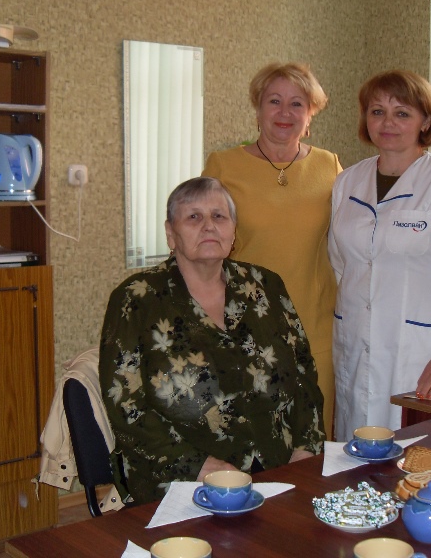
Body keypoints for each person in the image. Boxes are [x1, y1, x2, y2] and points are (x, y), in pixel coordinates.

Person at [99, 177, 325, 505]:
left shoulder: (266, 285)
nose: (208, 226)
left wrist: (305, 448)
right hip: (180, 479)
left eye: (219, 216)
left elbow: (304, 374)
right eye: (193, 217)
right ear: (170, 233)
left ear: (233, 232)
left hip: (278, 465)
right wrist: (201, 467)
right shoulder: (136, 300)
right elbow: (125, 407)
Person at [328, 70, 431, 442]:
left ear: (425, 121)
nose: (388, 123)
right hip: (355, 344)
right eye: (377, 111)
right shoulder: (347, 182)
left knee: (416, 453)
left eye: (402, 113)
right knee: (355, 452)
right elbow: (340, 263)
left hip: (420, 352)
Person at [203, 63, 342, 437]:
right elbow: (201, 247)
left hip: (316, 326)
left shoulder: (329, 166)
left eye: (297, 104)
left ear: (310, 114)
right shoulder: (223, 165)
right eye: (274, 101)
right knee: (253, 439)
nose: (285, 112)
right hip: (247, 326)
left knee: (312, 437)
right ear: (258, 108)